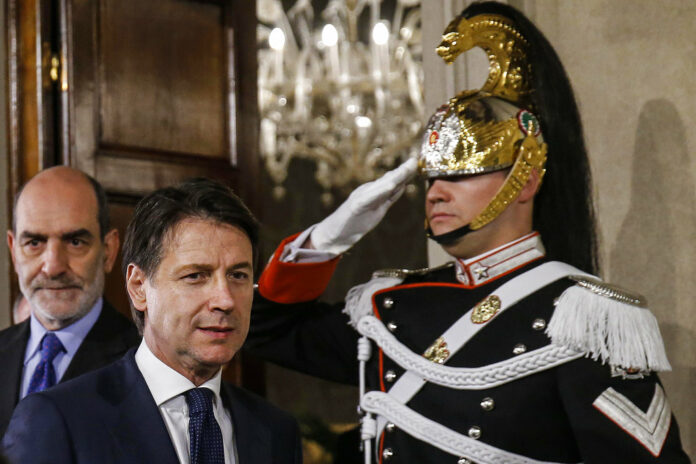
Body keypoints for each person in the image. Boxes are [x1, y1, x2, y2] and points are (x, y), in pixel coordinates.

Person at [245, 2, 691, 463]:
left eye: (460, 175)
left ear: (525, 182)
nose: (436, 193)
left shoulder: (585, 321)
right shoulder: (396, 307)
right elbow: (259, 329)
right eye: (431, 178)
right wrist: (328, 239)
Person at [2, 178, 302, 464]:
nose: (225, 300)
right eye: (195, 276)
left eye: (238, 275)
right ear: (138, 287)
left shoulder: (276, 430)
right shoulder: (59, 419)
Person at [0, 167, 139, 438]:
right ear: (14, 251)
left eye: (75, 242)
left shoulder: (146, 363)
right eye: (34, 243)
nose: (53, 267)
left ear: (108, 251)